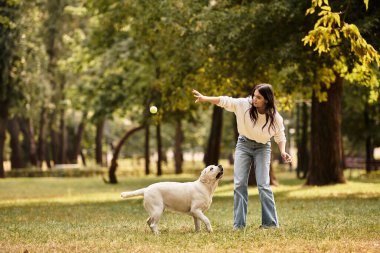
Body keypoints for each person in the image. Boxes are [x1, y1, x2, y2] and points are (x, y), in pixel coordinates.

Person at [192, 84, 292, 230]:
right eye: (254, 95)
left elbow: (280, 135)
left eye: (258, 97)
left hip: (263, 147)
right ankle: (239, 225)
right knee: (239, 184)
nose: (254, 99)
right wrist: (205, 98)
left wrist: (282, 151)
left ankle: (270, 224)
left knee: (263, 185)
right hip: (243, 144)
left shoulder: (275, 117)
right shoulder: (244, 104)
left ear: (267, 100)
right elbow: (225, 100)